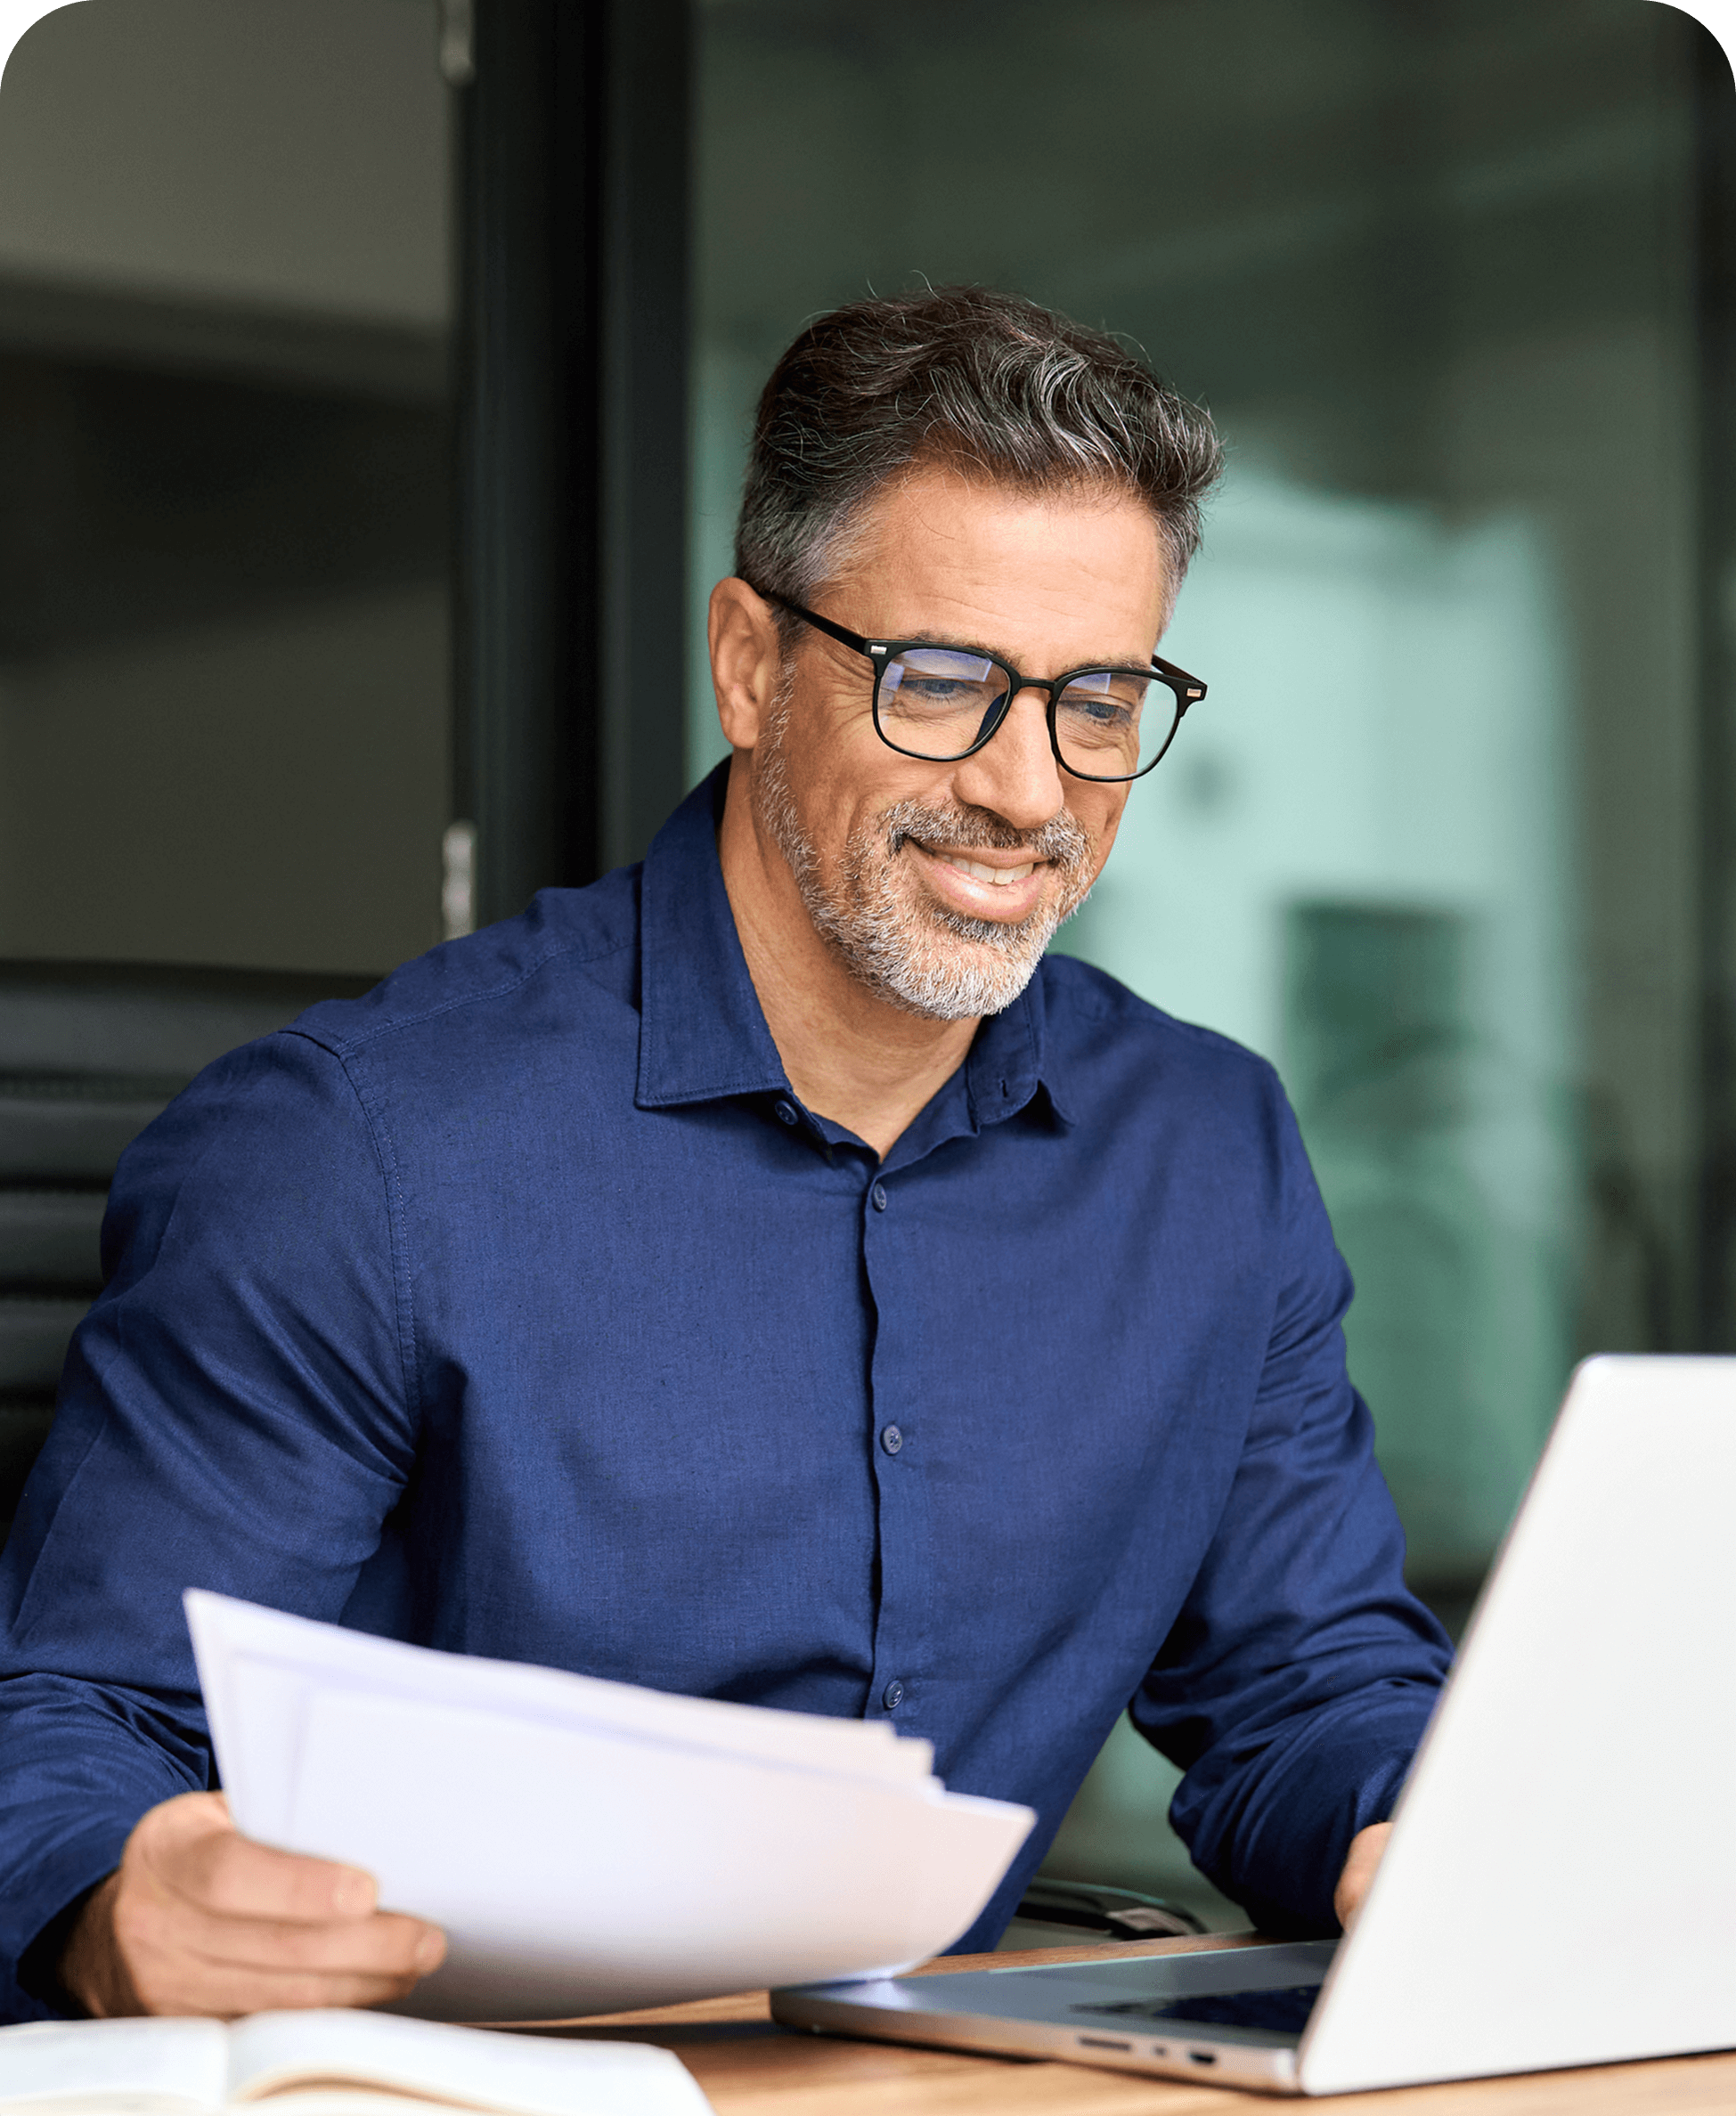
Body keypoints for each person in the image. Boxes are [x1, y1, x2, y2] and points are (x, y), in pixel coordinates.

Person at [0, 287, 1450, 2024]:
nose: (1024, 790)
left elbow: (1303, 1689)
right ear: (751, 667)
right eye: (940, 684)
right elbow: (77, 1717)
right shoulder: (358, 1149)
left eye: (1098, 699)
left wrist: (1418, 1828)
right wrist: (112, 1895)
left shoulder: (1204, 1154)